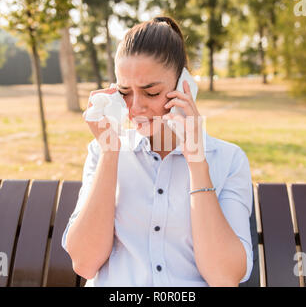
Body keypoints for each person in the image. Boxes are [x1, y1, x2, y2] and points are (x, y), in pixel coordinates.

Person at [61, 16, 253, 287]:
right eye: (125, 92)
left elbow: (225, 277)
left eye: (151, 93)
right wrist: (110, 153)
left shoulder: (229, 160)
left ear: (185, 86)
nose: (135, 107)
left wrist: (196, 162)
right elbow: (84, 263)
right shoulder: (102, 150)